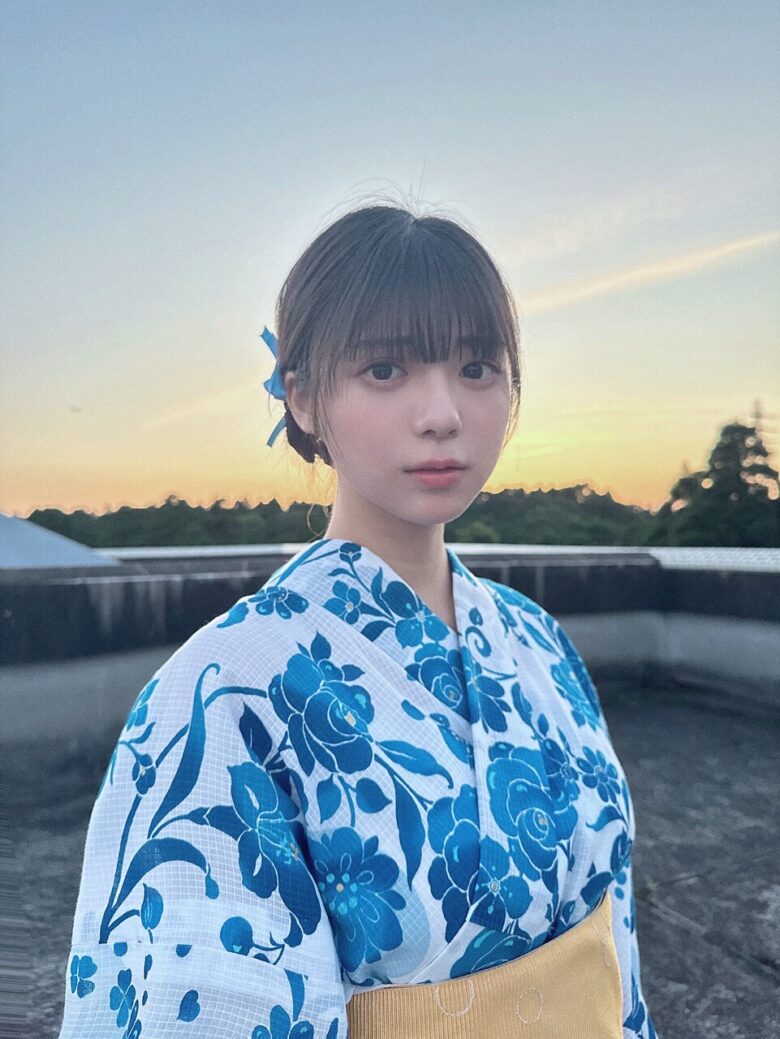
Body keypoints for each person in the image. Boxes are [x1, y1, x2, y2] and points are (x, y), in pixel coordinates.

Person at [57, 203, 657, 1038]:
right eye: (385, 369)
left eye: (477, 366)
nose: (443, 412)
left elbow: (614, 948)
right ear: (303, 397)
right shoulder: (224, 689)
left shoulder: (538, 641)